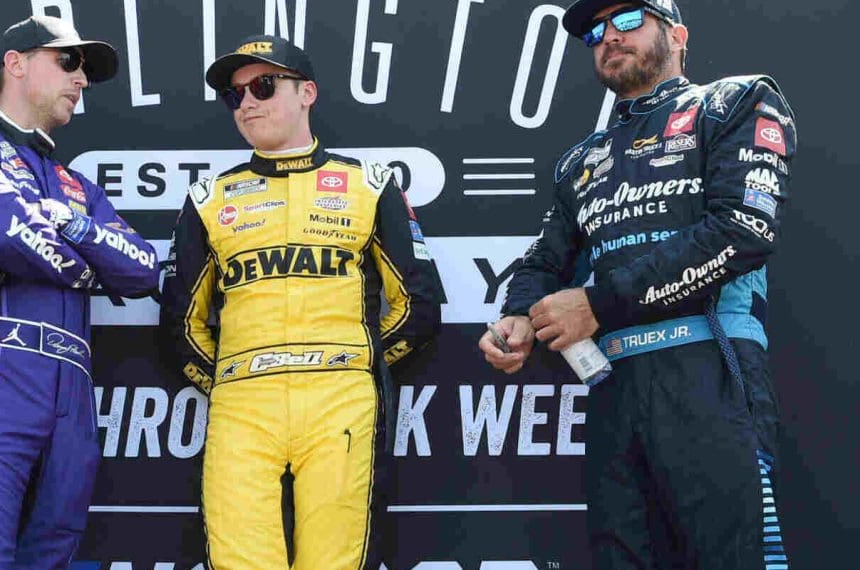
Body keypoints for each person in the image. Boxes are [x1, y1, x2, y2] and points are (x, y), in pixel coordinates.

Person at [479, 1, 796, 567]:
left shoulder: (732, 102)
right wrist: (518, 317)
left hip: (710, 368)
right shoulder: (582, 160)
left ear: (677, 34)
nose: (608, 37)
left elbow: (742, 231)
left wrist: (598, 303)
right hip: (615, 390)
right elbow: (543, 262)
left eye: (627, 20)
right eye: (595, 31)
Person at [160, 35, 444, 569]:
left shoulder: (370, 185)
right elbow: (180, 324)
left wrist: (358, 367)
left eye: (263, 86)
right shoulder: (208, 198)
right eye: (235, 94)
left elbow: (419, 307)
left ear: (307, 92)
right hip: (241, 406)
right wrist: (225, 380)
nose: (247, 102)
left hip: (341, 401)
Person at [0, 15, 158, 569]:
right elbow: (1, 228)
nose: (81, 78)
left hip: (72, 394)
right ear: (15, 64)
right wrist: (89, 268)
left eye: (84, 68)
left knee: (52, 558)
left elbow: (142, 271)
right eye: (68, 61)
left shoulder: (76, 186)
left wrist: (74, 224)